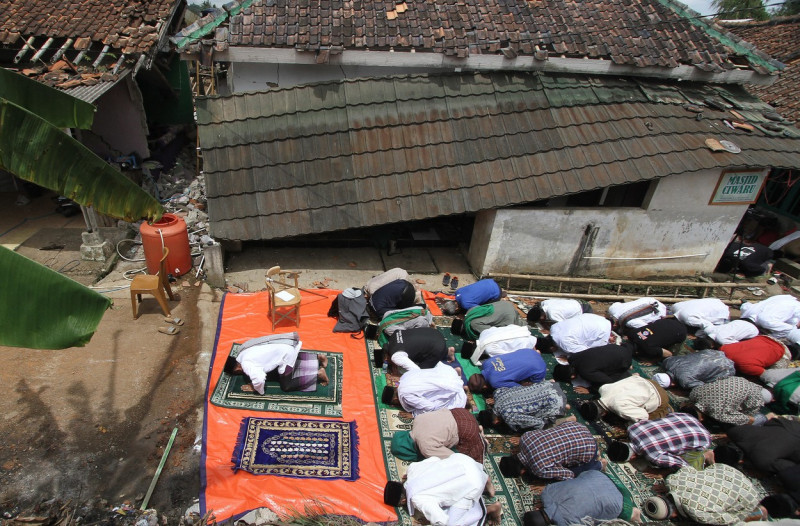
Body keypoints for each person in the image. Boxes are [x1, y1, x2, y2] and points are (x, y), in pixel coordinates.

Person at [382, 453, 503, 526]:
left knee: (452, 523)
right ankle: (486, 480)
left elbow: (442, 520)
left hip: (471, 483)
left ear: (403, 501)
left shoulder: (418, 499)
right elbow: (434, 460)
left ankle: (488, 510)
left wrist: (430, 519)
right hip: (464, 461)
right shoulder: (412, 469)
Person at [643, 463, 766, 524]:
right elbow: (688, 469)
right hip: (728, 471)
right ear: (660, 496)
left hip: (748, 494)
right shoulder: (672, 480)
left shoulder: (698, 513)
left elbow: (727, 519)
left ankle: (760, 512)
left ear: (674, 516)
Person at [522, 470, 640, 526]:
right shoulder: (546, 492)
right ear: (536, 509)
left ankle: (634, 513)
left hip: (619, 501)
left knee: (626, 514)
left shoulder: (567, 523)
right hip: (600, 475)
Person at [223, 332, 328, 394]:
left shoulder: (246, 365)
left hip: (286, 354)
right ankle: (319, 357)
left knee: (286, 385)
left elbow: (259, 379)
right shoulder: (242, 350)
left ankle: (318, 374)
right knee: (289, 356)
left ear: (237, 369)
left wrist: (256, 388)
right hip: (285, 344)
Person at [498, 421, 602, 481]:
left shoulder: (539, 469)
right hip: (577, 426)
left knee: (575, 474)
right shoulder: (525, 438)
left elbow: (568, 474)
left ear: (522, 471)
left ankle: (599, 465)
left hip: (589, 448)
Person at [607, 412, 713, 470]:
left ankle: (708, 454)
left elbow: (682, 465)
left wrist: (662, 473)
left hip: (703, 439)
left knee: (692, 465)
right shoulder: (632, 428)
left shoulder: (653, 455)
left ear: (633, 457)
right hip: (687, 417)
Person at [390, 408, 486, 464]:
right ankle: (478, 429)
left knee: (465, 461)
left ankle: (481, 438)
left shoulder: (426, 447)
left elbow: (453, 459)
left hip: (467, 430)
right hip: (461, 412)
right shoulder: (417, 420)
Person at [382, 361, 468, 417]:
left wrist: (414, 415)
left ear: (395, 399)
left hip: (451, 388)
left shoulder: (405, 396)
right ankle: (459, 379)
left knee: (437, 415)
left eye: (394, 403)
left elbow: (430, 407)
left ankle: (462, 392)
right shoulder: (404, 377)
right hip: (447, 372)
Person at [477, 381, 570, 432]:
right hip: (548, 385)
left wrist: (523, 435)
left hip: (556, 401)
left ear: (496, 422)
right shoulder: (497, 394)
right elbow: (503, 390)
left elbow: (539, 423)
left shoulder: (510, 418)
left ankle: (564, 407)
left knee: (544, 423)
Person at [579, 374, 672, 423]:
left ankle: (667, 410)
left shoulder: (620, 408)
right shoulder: (603, 389)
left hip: (659, 395)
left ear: (602, 414)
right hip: (646, 381)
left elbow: (643, 417)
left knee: (648, 423)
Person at [725, 415, 800, 474]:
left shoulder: (736, 432)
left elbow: (769, 423)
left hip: (748, 436)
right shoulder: (763, 461)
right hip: (763, 455)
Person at [688, 376, 772, 426]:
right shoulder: (694, 394)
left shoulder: (719, 414)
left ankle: (769, 416)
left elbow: (749, 419)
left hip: (750, 393)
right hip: (738, 382)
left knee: (752, 420)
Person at [552, 342, 633, 392]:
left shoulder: (586, 372)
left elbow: (607, 381)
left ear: (572, 376)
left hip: (625, 360)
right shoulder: (573, 358)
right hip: (615, 347)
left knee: (609, 382)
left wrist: (590, 389)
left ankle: (627, 371)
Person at [467, 348, 547, 394]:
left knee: (529, 390)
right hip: (529, 351)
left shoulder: (495, 382)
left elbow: (518, 388)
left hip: (539, 369)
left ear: (484, 387)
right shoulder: (486, 363)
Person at [375, 326, 454, 373]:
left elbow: (416, 371)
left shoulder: (396, 356)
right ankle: (447, 351)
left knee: (423, 374)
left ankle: (451, 371)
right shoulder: (393, 336)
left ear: (386, 358)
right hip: (434, 332)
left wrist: (399, 375)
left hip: (437, 348)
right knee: (418, 349)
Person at [657, 349, 736, 390]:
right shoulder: (667, 362)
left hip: (726, 366)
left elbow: (702, 387)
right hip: (713, 352)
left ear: (672, 384)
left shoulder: (685, 381)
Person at [537, 313, 612, 355]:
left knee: (597, 352)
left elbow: (585, 352)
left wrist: (569, 358)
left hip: (600, 328)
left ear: (552, 348)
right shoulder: (553, 327)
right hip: (591, 317)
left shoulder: (566, 345)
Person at [461, 324, 537, 365]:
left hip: (525, 343)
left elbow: (508, 356)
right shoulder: (483, 333)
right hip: (519, 330)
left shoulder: (489, 349)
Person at [720, 334, 792, 376]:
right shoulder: (723, 349)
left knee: (776, 374)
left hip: (778, 348)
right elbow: (766, 375)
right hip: (766, 339)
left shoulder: (746, 365)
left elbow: (767, 375)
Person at [452, 300, 524, 341]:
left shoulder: (473, 324)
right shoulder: (470, 311)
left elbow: (492, 333)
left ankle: (524, 328)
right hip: (505, 304)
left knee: (505, 335)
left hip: (508, 316)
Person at [526, 299, 591, 326]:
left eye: (539, 321)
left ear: (541, 317)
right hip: (577, 301)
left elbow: (562, 327)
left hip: (584, 309)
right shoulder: (544, 303)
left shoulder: (553, 314)